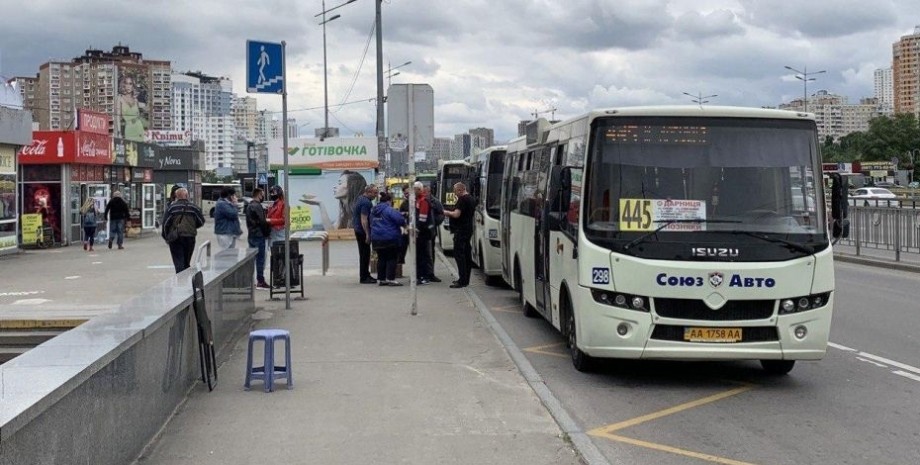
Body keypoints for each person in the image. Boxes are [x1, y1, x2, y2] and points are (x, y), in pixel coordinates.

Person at [161, 187, 205, 273]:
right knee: (186, 260)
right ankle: (185, 277)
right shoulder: (194, 208)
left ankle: (180, 280)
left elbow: (166, 223)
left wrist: (166, 236)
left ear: (176, 196)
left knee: (178, 260)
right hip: (190, 236)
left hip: (175, 237)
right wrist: (192, 226)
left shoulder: (171, 208)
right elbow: (201, 221)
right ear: (187, 196)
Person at [369, 192, 406, 286]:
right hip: (390, 237)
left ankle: (381, 279)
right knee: (391, 258)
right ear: (389, 201)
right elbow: (400, 220)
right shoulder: (389, 210)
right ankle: (391, 279)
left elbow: (370, 222)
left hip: (376, 238)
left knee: (381, 258)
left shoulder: (373, 210)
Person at [444, 182, 475, 288]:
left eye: (455, 191)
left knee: (459, 255)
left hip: (461, 230)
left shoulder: (462, 199)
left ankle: (462, 280)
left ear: (460, 190)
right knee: (467, 255)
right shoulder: (471, 198)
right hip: (469, 229)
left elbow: (456, 214)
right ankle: (466, 279)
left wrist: (446, 212)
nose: (455, 194)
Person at [245, 187, 271, 289]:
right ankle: (260, 280)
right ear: (259, 195)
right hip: (259, 235)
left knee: (253, 259)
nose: (263, 196)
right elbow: (262, 222)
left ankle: (250, 281)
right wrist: (267, 232)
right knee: (260, 259)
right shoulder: (257, 206)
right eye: (262, 194)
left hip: (251, 235)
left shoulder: (249, 205)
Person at [353, 184, 378, 284]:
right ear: (368, 192)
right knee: (365, 254)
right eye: (374, 193)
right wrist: (368, 234)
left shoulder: (360, 198)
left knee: (364, 254)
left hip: (358, 230)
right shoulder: (366, 203)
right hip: (362, 231)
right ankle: (364, 277)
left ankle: (365, 274)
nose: (376, 195)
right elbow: (364, 220)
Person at [412, 181, 433, 285]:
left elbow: (422, 218)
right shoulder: (418, 199)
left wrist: (417, 229)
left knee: (422, 255)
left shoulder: (423, 200)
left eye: (414, 189)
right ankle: (420, 276)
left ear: (419, 190)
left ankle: (424, 276)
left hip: (423, 233)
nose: (413, 191)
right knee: (419, 255)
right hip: (421, 232)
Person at [116, 74, 147, 141]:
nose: (128, 86)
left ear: (133, 86)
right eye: (126, 83)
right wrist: (119, 132)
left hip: (139, 128)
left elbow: (145, 106)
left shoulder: (135, 100)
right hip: (129, 129)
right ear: (123, 85)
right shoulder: (120, 98)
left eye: (130, 84)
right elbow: (117, 117)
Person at [423, 186, 443, 283]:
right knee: (421, 254)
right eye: (423, 192)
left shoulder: (435, 202)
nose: (425, 194)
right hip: (420, 232)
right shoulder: (419, 201)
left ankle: (430, 274)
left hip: (430, 232)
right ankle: (422, 274)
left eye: (426, 192)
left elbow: (441, 214)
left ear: (430, 192)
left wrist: (434, 222)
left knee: (430, 254)